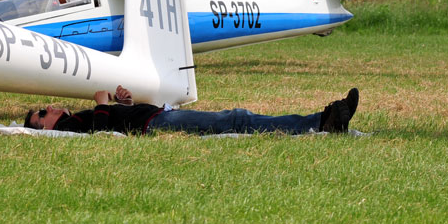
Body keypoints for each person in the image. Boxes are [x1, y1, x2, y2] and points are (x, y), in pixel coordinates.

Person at [23, 86, 358, 135]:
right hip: (158, 123)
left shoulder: (73, 120)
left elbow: (111, 121)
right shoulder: (71, 130)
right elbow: (100, 132)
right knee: (236, 119)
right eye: (42, 113)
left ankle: (323, 119)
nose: (49, 107)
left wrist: (121, 103)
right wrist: (101, 105)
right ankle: (320, 121)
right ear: (44, 129)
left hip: (155, 117)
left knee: (236, 119)